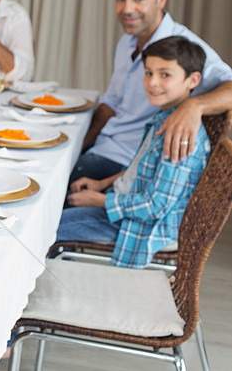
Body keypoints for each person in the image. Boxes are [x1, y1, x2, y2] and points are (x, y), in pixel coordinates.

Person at [69, 0, 232, 185]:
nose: (127, 9)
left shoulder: (183, 46)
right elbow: (111, 104)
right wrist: (78, 146)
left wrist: (195, 105)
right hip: (104, 146)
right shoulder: (126, 42)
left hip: (132, 162)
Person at [58, 36, 210, 268]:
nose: (152, 82)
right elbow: (140, 169)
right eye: (148, 73)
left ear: (193, 80)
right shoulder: (163, 117)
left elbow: (155, 206)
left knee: (46, 226)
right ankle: (62, 265)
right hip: (126, 202)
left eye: (165, 74)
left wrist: (100, 200)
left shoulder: (180, 135)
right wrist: (101, 185)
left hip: (139, 224)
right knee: (57, 205)